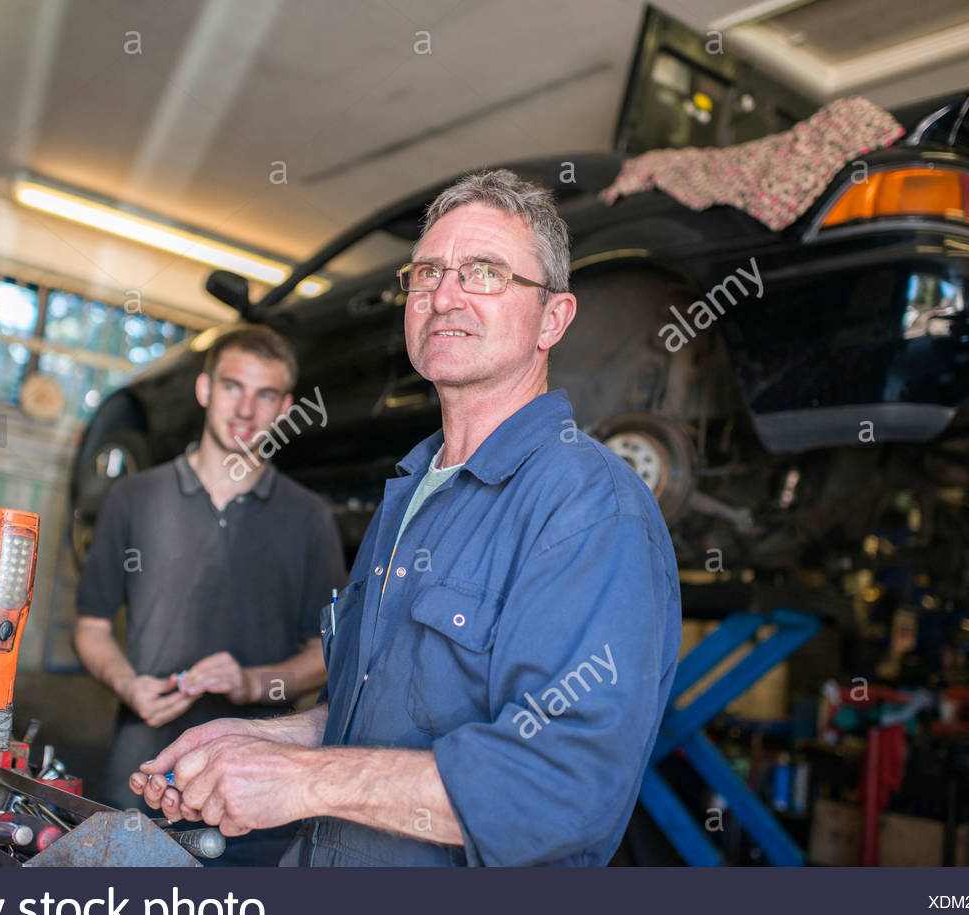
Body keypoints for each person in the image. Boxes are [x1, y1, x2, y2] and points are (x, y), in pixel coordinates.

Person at [130, 169, 683, 866]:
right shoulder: (412, 492)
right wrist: (262, 743)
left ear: (554, 318)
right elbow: (387, 717)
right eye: (427, 273)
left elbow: (560, 788)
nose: (444, 296)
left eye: (484, 272)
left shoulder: (587, 504)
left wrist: (301, 780)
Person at [74, 324, 345, 864]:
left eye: (264, 394)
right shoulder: (134, 499)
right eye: (231, 387)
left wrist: (251, 683)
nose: (245, 409)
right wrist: (127, 684)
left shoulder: (309, 519)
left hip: (255, 788)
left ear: (285, 406)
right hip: (140, 774)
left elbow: (327, 654)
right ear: (204, 389)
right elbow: (91, 627)